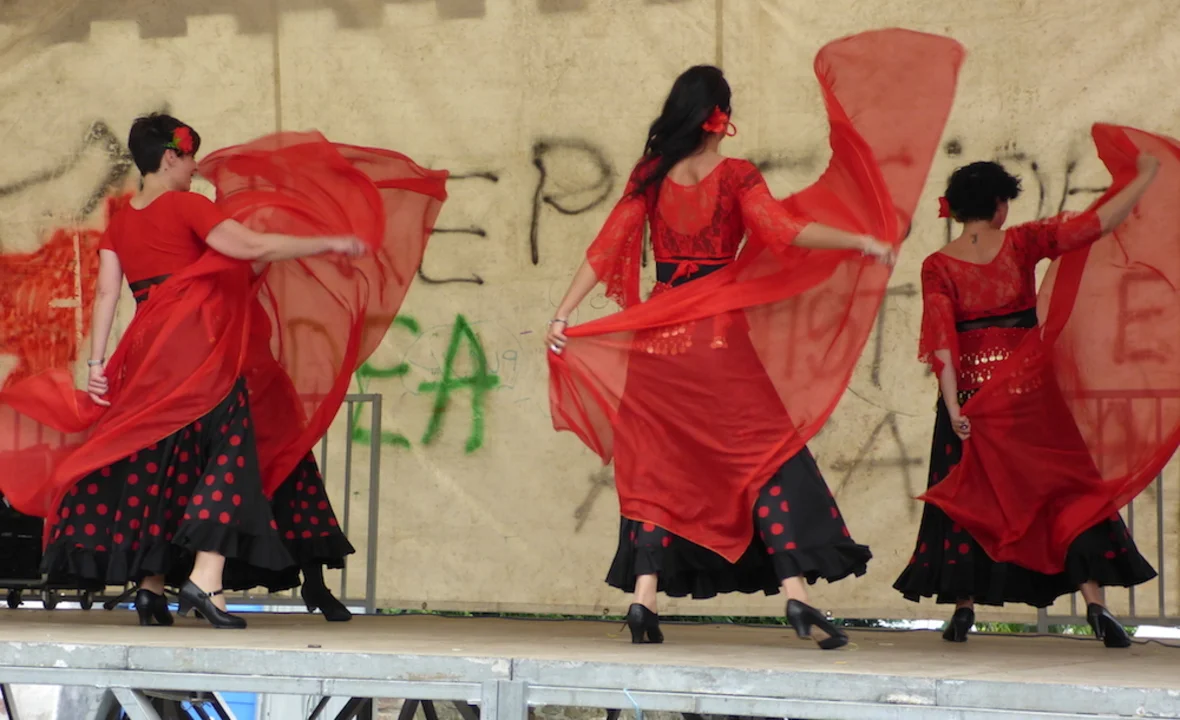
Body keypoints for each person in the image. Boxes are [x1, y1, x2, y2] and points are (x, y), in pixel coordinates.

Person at [548, 64, 904, 650]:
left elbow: (607, 245)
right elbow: (783, 231)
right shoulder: (737, 176)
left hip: (658, 343)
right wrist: (860, 240)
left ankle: (643, 600)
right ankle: (796, 593)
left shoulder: (651, 176)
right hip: (716, 341)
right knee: (761, 457)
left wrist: (563, 314)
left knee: (657, 464)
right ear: (721, 117)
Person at [0, 114, 367, 629]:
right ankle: (205, 580)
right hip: (199, 349)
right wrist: (327, 242)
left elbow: (106, 294)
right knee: (230, 454)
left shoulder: (121, 222)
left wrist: (97, 364)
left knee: (163, 464)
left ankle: (151, 588)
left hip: (149, 354)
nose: (196, 167)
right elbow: (251, 247)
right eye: (191, 157)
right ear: (170, 157)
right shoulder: (188, 206)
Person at [894, 156, 1161, 647]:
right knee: (1063, 492)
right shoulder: (1020, 242)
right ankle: (1095, 604)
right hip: (1026, 395)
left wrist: (954, 409)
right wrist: (1144, 176)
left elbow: (942, 342)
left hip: (970, 399)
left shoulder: (938, 265)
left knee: (969, 499)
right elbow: (1098, 224)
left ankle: (964, 607)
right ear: (1000, 205)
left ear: (956, 209)